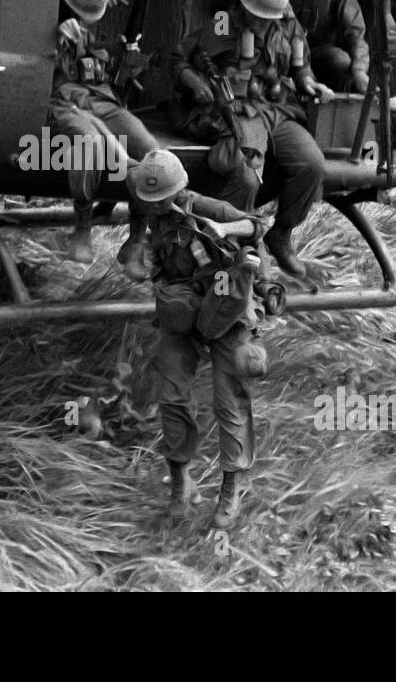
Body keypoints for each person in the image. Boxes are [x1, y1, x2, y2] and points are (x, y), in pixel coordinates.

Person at [126, 149, 272, 529]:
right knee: (171, 394)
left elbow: (258, 226)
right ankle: (180, 483)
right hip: (184, 312)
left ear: (178, 192)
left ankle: (231, 487)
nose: (157, 207)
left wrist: (225, 230)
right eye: (151, 201)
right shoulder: (152, 213)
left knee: (230, 400)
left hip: (225, 308)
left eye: (164, 200)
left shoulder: (204, 207)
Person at [170, 0, 330, 276]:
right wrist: (193, 82)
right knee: (245, 173)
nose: (257, 22)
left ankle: (280, 235)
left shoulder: (289, 27)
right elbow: (179, 58)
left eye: (265, 18)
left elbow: (302, 65)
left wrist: (308, 81)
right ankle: (231, 247)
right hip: (232, 109)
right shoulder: (223, 21)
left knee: (311, 164)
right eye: (253, 15)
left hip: (275, 109)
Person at [50, 0, 159, 279]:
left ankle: (136, 241)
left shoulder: (95, 15)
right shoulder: (51, 15)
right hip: (63, 101)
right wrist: (60, 36)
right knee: (89, 143)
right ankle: (82, 229)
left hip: (102, 98)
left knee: (150, 149)